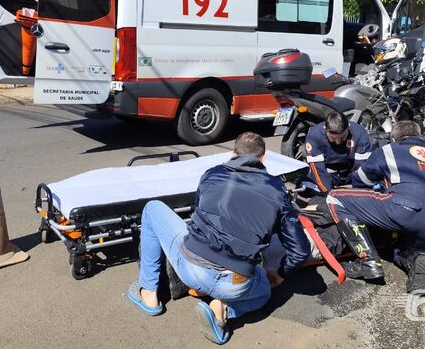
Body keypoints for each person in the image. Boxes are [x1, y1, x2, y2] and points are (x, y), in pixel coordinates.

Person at [126, 132, 310, 345]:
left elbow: (197, 210)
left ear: (233, 154)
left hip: (193, 268)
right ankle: (223, 309)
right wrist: (280, 272)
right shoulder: (278, 190)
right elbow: (300, 251)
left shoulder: (212, 173)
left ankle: (150, 295)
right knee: (264, 293)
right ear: (264, 159)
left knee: (152, 208)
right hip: (236, 283)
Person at [327, 121, 425, 293]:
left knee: (335, 198)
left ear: (394, 137)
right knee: (394, 245)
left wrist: (380, 187)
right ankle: (416, 259)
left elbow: (362, 180)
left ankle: (368, 262)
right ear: (419, 136)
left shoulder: (390, 149)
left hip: (405, 210)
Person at [304, 111, 372, 194]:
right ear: (326, 130)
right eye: (333, 138)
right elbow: (318, 169)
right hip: (329, 174)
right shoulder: (314, 135)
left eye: (342, 137)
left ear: (348, 128)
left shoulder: (360, 133)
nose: (338, 142)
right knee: (304, 187)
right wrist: (328, 193)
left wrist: (357, 193)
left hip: (351, 173)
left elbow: (362, 166)